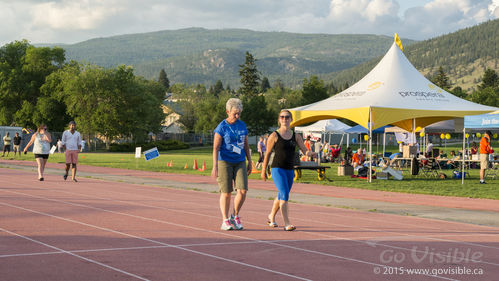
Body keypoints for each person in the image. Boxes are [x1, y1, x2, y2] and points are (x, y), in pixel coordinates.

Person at [261, 110, 316, 231]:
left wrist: (311, 153)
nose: (284, 119)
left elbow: (304, 150)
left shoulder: (296, 136)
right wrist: (263, 169)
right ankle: (287, 223)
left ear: (291, 119)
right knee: (284, 193)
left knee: (282, 194)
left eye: (287, 117)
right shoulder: (274, 135)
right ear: (279, 119)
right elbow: (268, 153)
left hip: (289, 169)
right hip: (277, 168)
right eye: (282, 117)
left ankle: (271, 216)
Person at [212, 98, 252, 231]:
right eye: (235, 113)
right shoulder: (221, 127)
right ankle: (225, 220)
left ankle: (234, 215)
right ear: (227, 112)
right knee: (226, 192)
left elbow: (246, 145)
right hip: (225, 161)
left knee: (242, 190)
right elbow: (216, 148)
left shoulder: (242, 125)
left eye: (239, 113)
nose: (237, 116)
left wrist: (250, 162)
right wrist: (215, 166)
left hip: (240, 161)